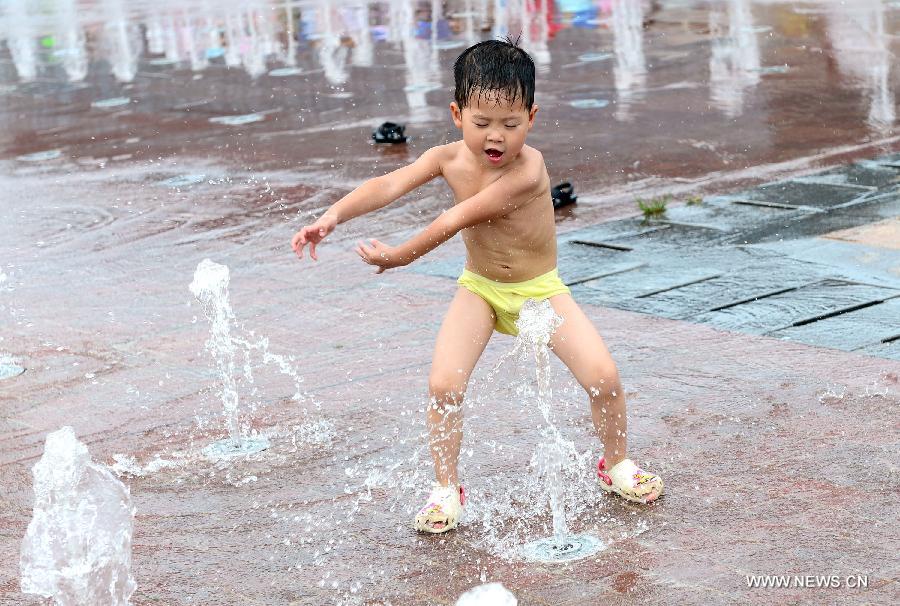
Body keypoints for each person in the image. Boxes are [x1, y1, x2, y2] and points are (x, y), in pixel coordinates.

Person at [291, 38, 663, 534]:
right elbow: (388, 184)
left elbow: (454, 218)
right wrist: (331, 216)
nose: (496, 138)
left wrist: (399, 257)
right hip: (480, 290)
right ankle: (446, 488)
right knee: (444, 384)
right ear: (456, 113)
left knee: (604, 377)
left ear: (531, 118)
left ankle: (615, 464)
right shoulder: (447, 158)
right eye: (481, 123)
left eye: (510, 125)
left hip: (539, 290)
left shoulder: (528, 171)